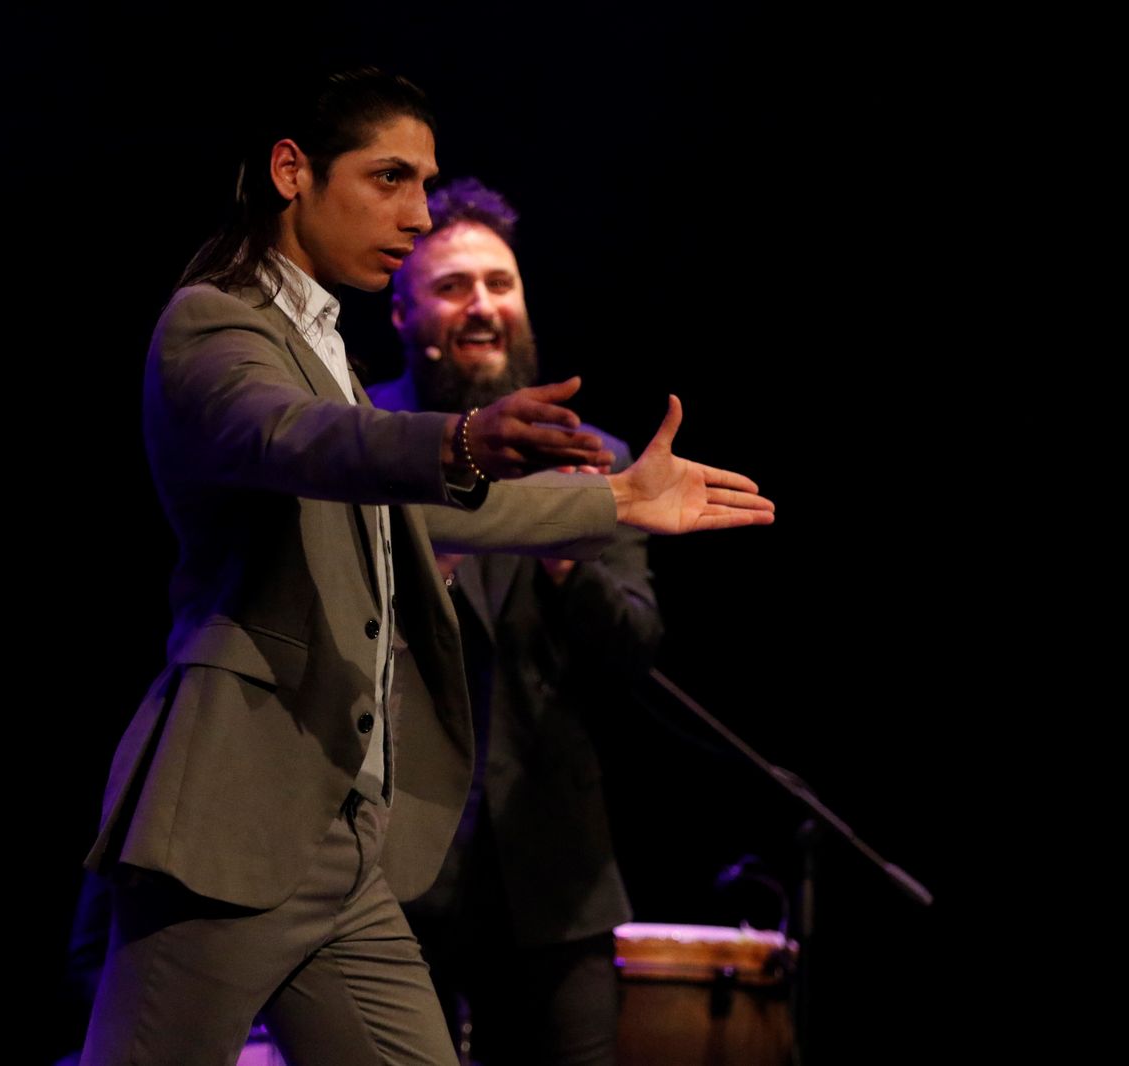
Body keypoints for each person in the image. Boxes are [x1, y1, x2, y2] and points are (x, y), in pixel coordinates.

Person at [81, 68, 772, 1066]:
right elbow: (293, 438)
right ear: (291, 171)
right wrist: (454, 439)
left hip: (343, 839)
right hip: (233, 825)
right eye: (390, 178)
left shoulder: (326, 349)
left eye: (424, 182)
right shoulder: (216, 321)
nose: (414, 212)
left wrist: (614, 501)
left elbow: (421, 498)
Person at [369, 177, 658, 1065]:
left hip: (556, 874)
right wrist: (437, 557)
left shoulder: (591, 458)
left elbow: (635, 649)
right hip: (395, 866)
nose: (483, 306)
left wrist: (565, 547)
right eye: (453, 287)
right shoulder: (362, 442)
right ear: (404, 312)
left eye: (500, 285)